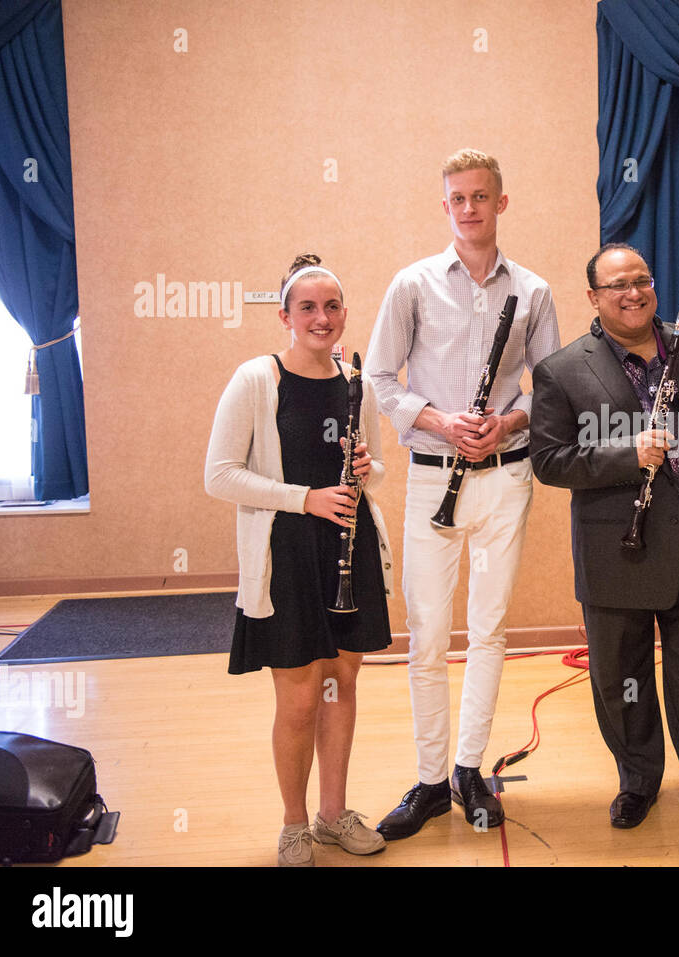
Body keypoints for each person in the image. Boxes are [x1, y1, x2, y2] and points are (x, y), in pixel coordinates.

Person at [365, 149, 560, 839]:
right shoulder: (411, 284)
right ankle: (426, 780)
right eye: (457, 198)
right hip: (431, 477)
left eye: (481, 196)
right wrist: (443, 421)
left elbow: (550, 391)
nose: (469, 208)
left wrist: (507, 420)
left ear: (500, 203)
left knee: (489, 628)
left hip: (505, 474)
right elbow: (380, 378)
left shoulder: (532, 291)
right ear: (444, 205)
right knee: (424, 634)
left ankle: (470, 768)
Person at [529, 243, 679, 834]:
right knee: (620, 677)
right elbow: (550, 461)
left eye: (642, 280)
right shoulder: (561, 369)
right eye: (617, 286)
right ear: (593, 298)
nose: (633, 293)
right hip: (617, 550)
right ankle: (637, 782)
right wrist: (626, 455)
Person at [205, 253, 393, 867]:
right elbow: (220, 476)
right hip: (289, 551)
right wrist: (303, 499)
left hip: (349, 541)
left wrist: (368, 471)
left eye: (332, 306)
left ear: (343, 313)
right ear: (285, 316)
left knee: (342, 682)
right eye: (307, 307)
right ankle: (293, 825)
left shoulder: (354, 379)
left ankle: (333, 815)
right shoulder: (258, 379)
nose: (321, 317)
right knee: (301, 696)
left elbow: (377, 466)